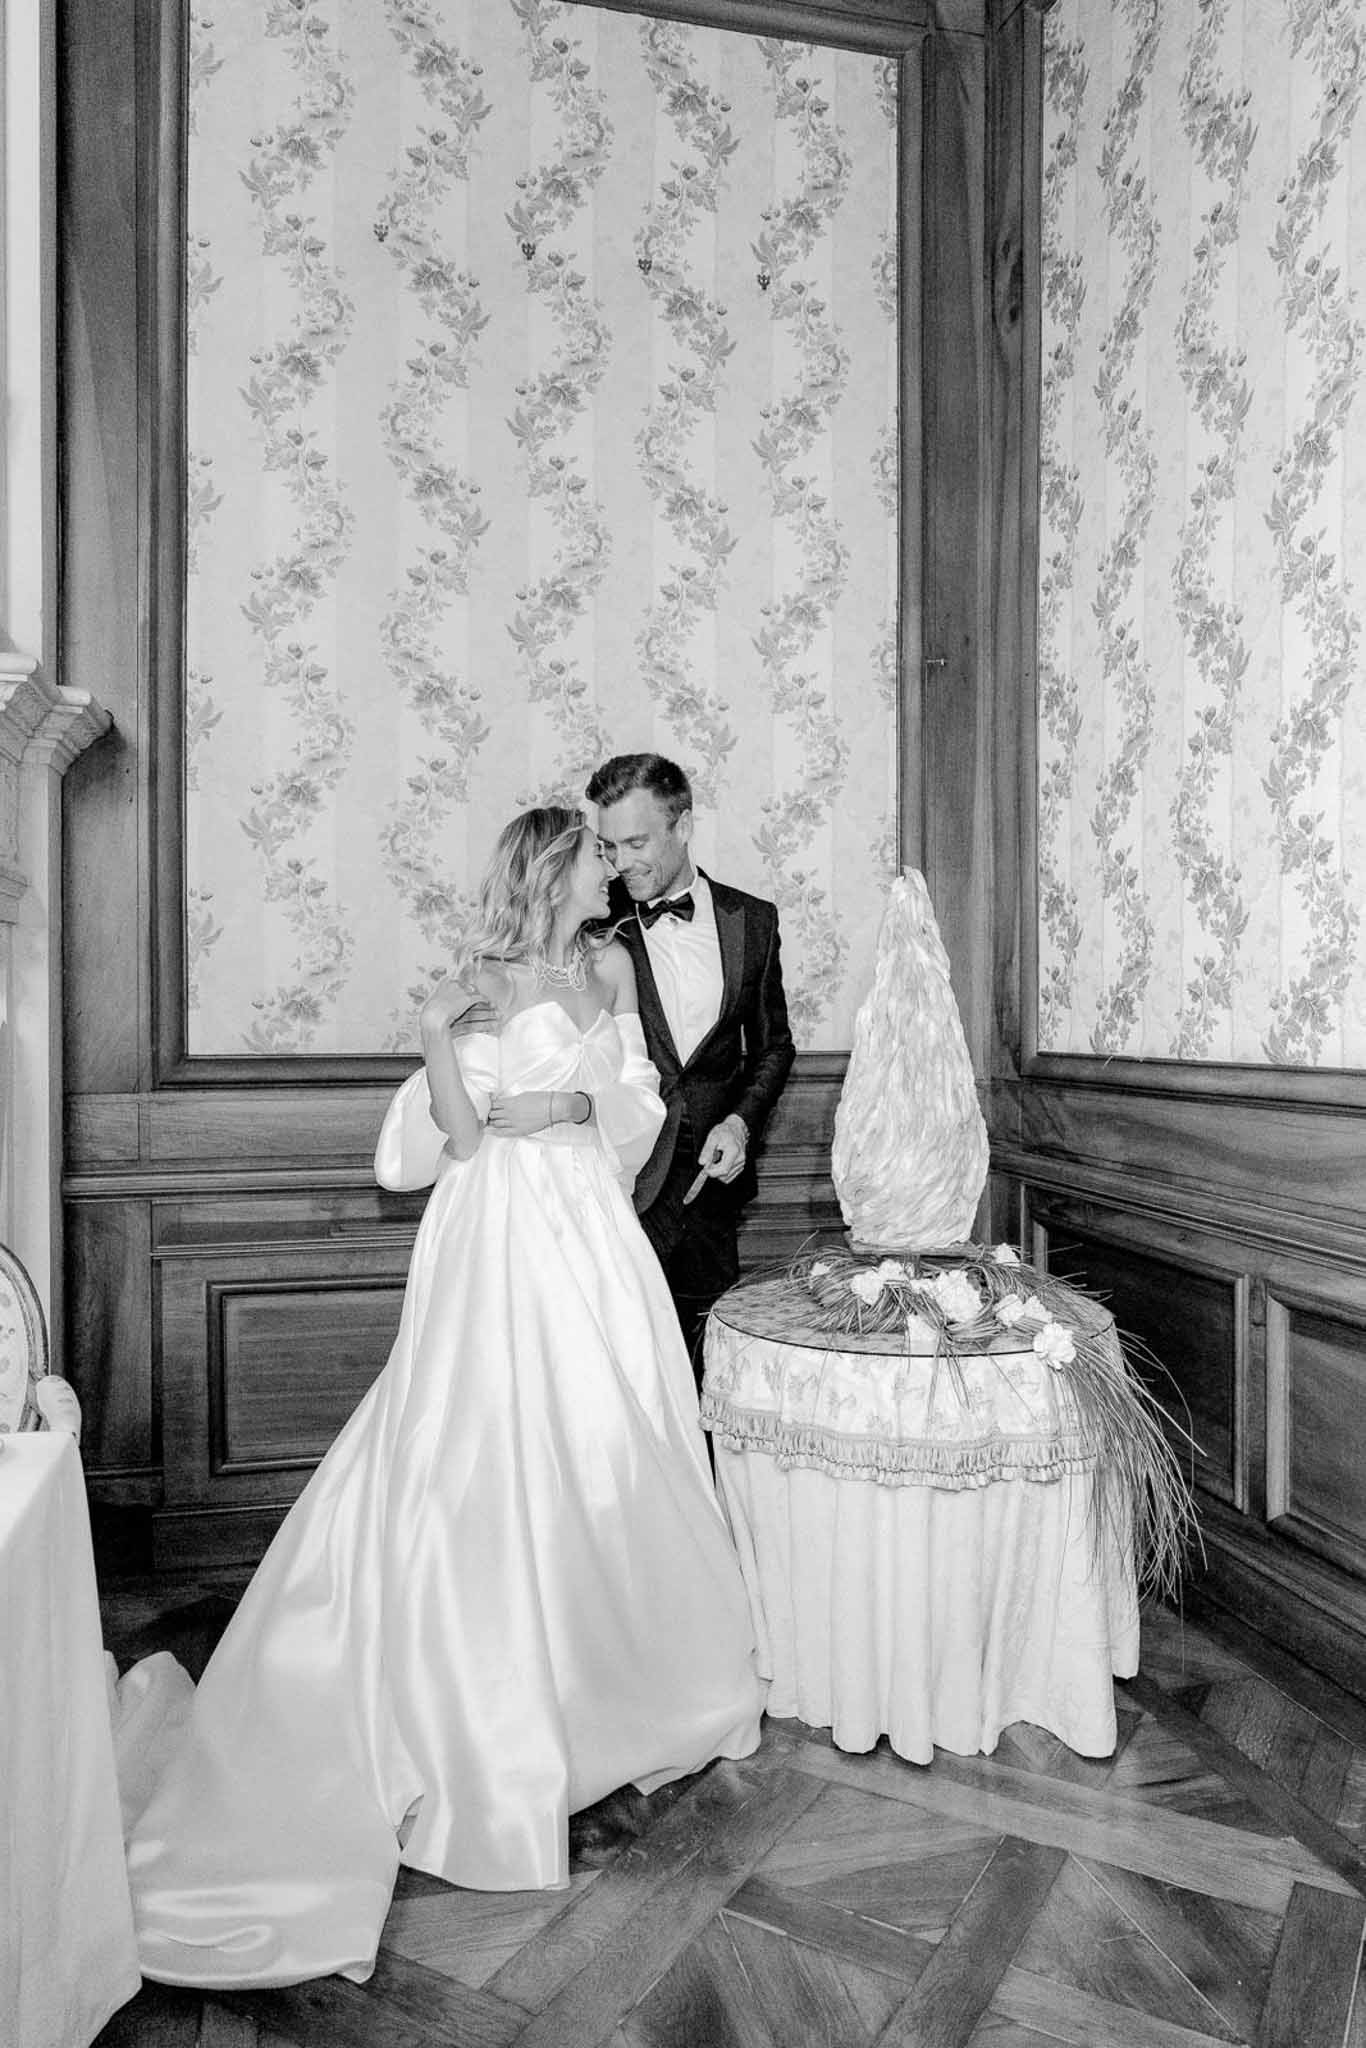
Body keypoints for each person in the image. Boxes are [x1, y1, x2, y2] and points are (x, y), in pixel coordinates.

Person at [123, 807, 764, 1990]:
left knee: (610, 1448)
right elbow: (439, 1149)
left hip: (592, 1232)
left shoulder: (610, 964)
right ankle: (482, 1705)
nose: (605, 870)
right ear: (549, 869)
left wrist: (577, 1110)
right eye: (590, 855)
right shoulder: (472, 980)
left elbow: (636, 1107)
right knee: (482, 1451)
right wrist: (432, 1039)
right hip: (495, 1234)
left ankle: (616, 1684)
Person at [583, 754, 796, 1381]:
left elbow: (774, 1046)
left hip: (710, 1188)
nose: (621, 863)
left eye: (637, 841)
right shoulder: (591, 919)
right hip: (618, 1181)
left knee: (706, 1368)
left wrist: (740, 1122)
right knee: (616, 1366)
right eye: (608, 846)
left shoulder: (752, 920)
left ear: (683, 826)